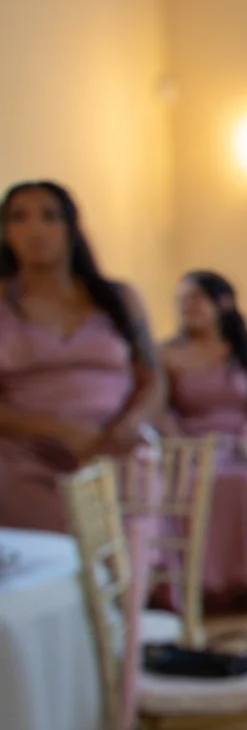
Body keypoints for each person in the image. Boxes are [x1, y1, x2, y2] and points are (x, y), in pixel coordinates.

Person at [0, 181, 158, 532]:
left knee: (140, 481)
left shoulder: (118, 298)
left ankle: (131, 584)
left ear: (71, 228)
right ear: (6, 233)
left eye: (49, 217)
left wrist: (130, 424)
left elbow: (153, 378)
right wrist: (61, 430)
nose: (35, 230)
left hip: (115, 447)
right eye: (19, 219)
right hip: (26, 454)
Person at [159, 270, 247, 613]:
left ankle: (242, 586)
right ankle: (198, 587)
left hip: (242, 447)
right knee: (189, 484)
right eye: (182, 301)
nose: (188, 307)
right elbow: (160, 411)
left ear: (223, 303)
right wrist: (182, 447)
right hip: (188, 448)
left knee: (242, 482)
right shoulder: (167, 355)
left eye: (196, 298)